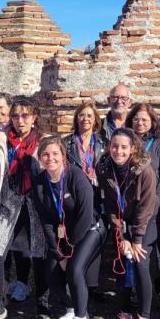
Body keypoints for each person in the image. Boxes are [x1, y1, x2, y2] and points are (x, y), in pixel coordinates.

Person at [0, 96, 47, 319]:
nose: (20, 120)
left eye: (25, 115)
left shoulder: (43, 142)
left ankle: (43, 302)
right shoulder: (0, 140)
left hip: (36, 206)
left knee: (40, 253)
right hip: (7, 203)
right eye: (15, 116)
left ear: (34, 118)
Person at [31, 136, 100, 319]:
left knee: (74, 268)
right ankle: (71, 308)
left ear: (63, 155)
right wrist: (57, 250)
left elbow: (85, 216)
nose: (50, 158)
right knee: (52, 269)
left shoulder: (76, 176)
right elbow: (45, 220)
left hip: (89, 230)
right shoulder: (39, 183)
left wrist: (69, 252)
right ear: (40, 158)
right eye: (45, 154)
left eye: (55, 153)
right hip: (63, 234)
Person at [96, 129, 158, 319]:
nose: (118, 151)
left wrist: (136, 239)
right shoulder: (103, 168)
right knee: (121, 265)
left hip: (143, 224)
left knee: (140, 265)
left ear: (133, 149)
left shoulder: (145, 171)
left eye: (124, 147)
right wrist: (121, 236)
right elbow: (110, 204)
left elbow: (146, 207)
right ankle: (124, 315)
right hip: (121, 225)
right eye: (114, 146)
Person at [125, 102, 160, 312]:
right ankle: (137, 289)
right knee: (133, 249)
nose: (140, 123)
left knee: (157, 247)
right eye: (136, 119)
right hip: (130, 207)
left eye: (145, 119)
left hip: (156, 205)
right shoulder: (125, 143)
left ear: (153, 122)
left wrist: (153, 200)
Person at [61, 100, 105, 297]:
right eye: (81, 115)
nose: (85, 119)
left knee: (95, 239)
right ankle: (74, 283)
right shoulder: (66, 142)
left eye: (89, 115)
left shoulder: (103, 142)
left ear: (95, 119)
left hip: (99, 197)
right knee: (77, 236)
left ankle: (92, 286)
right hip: (76, 197)